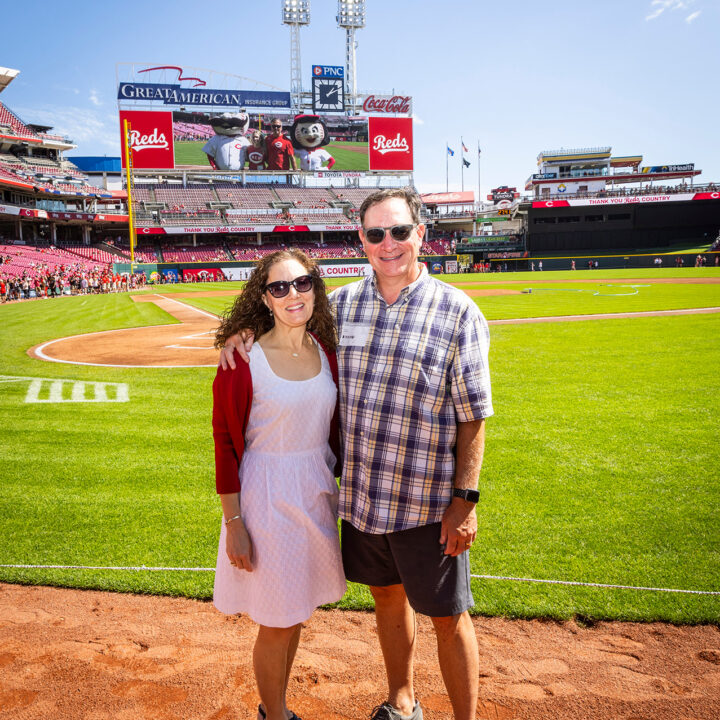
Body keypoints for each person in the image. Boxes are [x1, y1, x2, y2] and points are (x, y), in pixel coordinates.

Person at [221, 188, 493, 720]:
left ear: (420, 234)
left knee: (449, 616)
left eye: (398, 231)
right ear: (362, 240)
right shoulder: (339, 307)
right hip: (362, 500)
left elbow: (474, 415)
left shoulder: (458, 311)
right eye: (375, 233)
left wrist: (466, 500)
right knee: (387, 600)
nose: (387, 243)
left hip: (427, 504)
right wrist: (241, 331)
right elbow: (285, 319)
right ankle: (402, 700)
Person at [212, 249, 346, 720]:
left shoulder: (326, 349)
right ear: (264, 297)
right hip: (266, 499)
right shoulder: (243, 359)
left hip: (315, 494)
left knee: (298, 612)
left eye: (302, 283)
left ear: (316, 287)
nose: (293, 294)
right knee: (277, 622)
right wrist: (234, 523)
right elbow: (224, 444)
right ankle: (277, 714)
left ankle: (276, 707)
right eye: (279, 287)